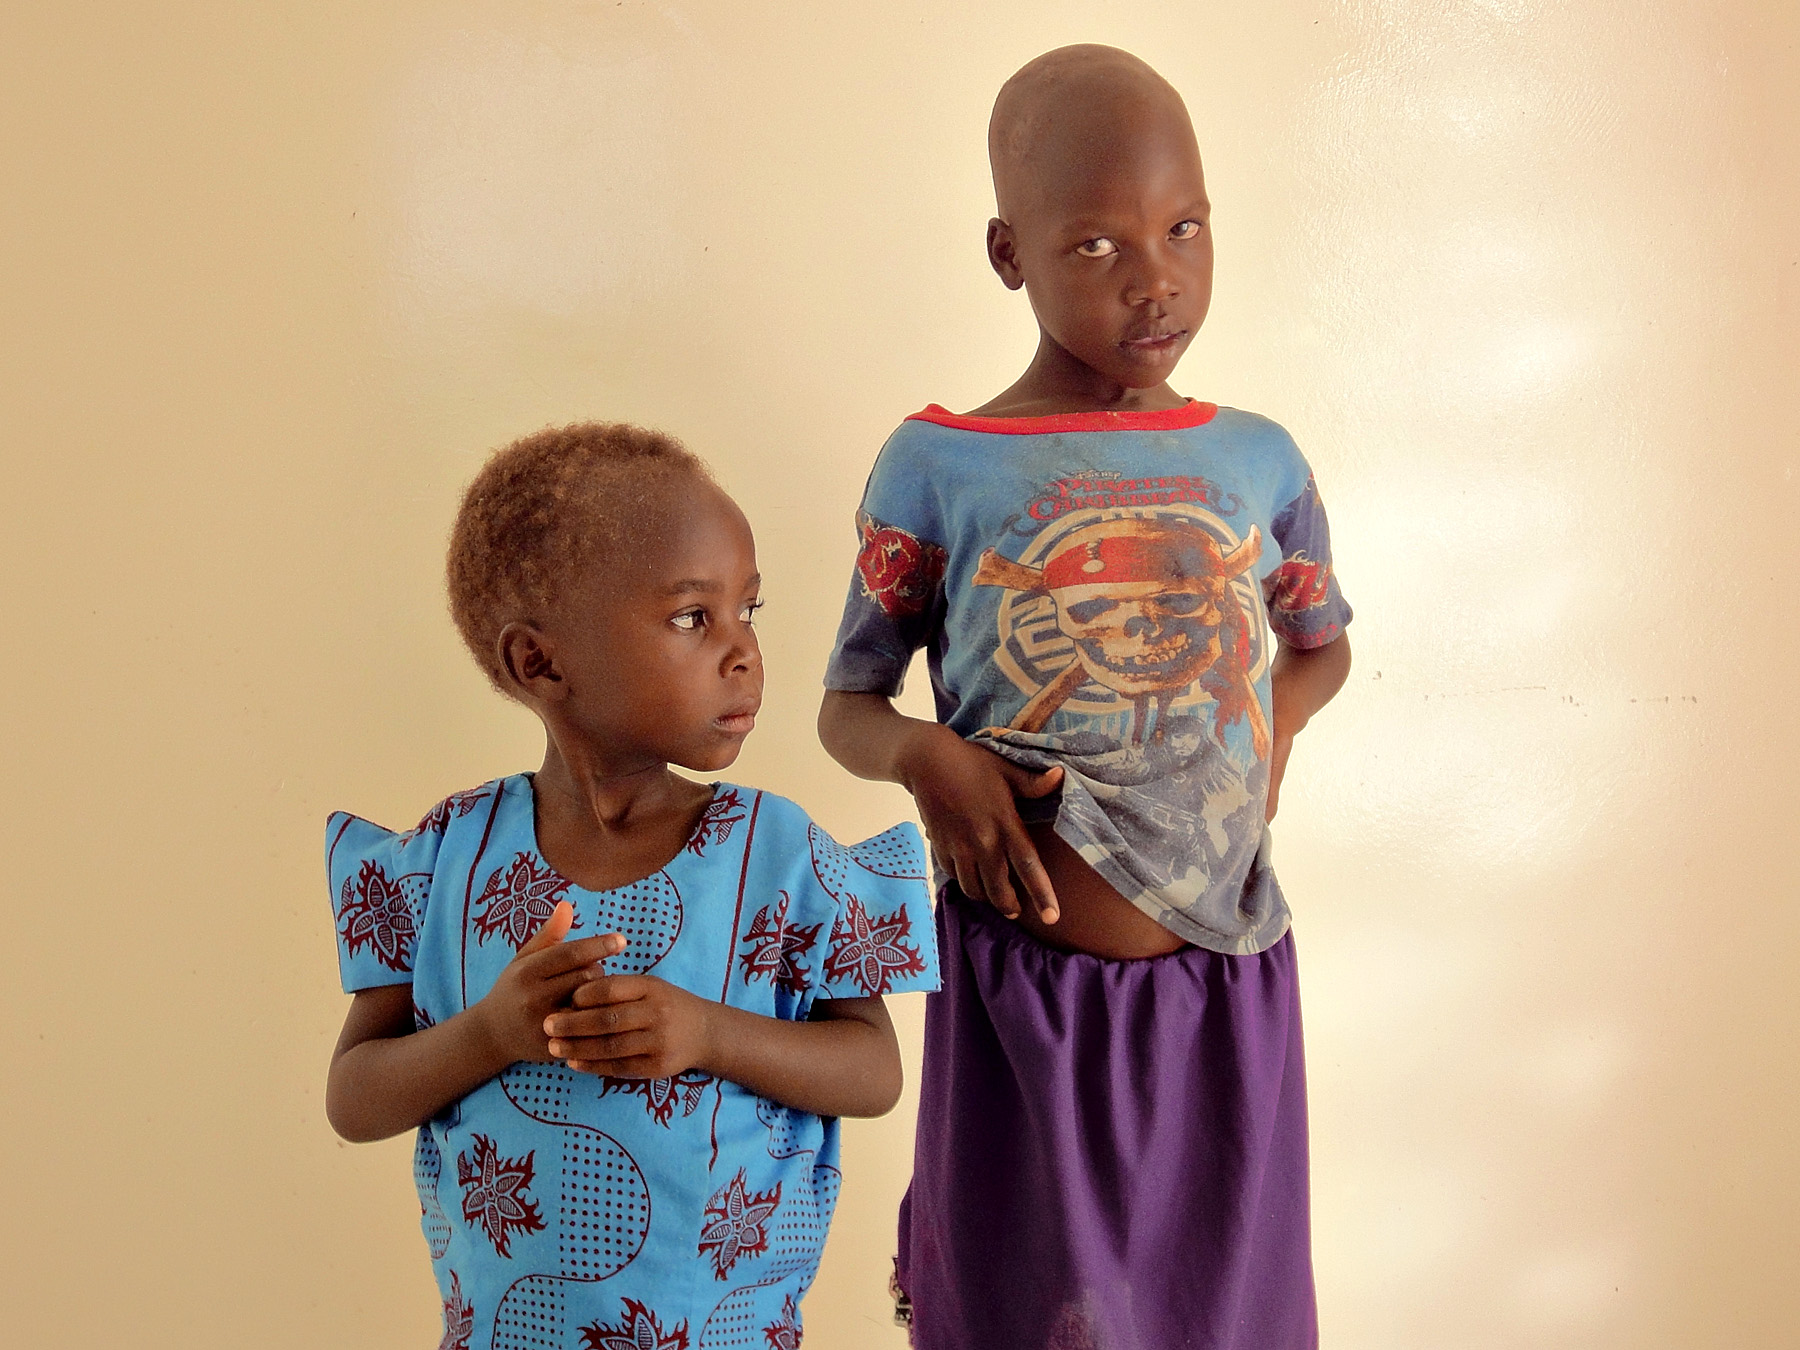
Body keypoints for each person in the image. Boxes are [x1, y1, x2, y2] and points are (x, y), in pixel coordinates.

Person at [818, 45, 1353, 1350]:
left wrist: (1274, 725)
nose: (1156, 275)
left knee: (1221, 1304)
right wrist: (925, 756)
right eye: (1099, 245)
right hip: (1026, 993)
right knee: (1031, 1309)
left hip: (1224, 983)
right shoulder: (942, 463)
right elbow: (849, 702)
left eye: (1183, 229)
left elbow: (1319, 644)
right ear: (1011, 253)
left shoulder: (1258, 460)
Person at [324, 422, 938, 1350]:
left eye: (749, 611)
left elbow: (874, 1073)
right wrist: (491, 1032)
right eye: (693, 618)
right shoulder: (444, 861)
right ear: (542, 662)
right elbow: (356, 1095)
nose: (742, 652)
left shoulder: (778, 859)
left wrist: (708, 1033)